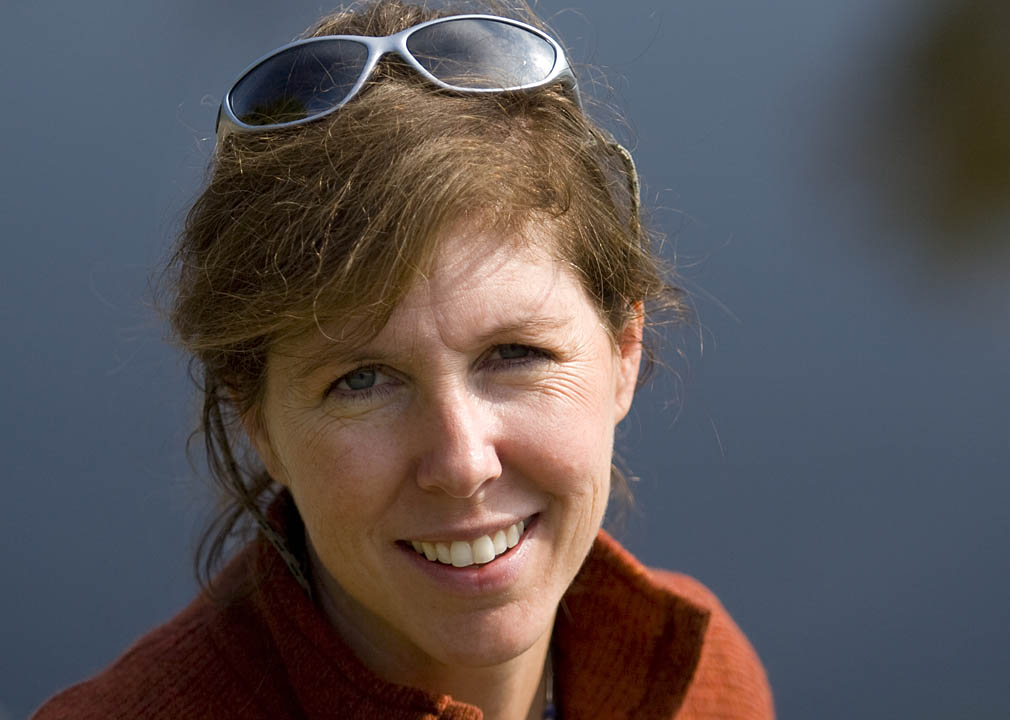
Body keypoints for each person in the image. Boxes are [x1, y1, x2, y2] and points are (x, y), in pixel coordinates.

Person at [33, 1, 773, 718]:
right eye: (361, 380)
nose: (461, 462)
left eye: (515, 353)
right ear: (257, 419)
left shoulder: (707, 684)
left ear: (623, 350)